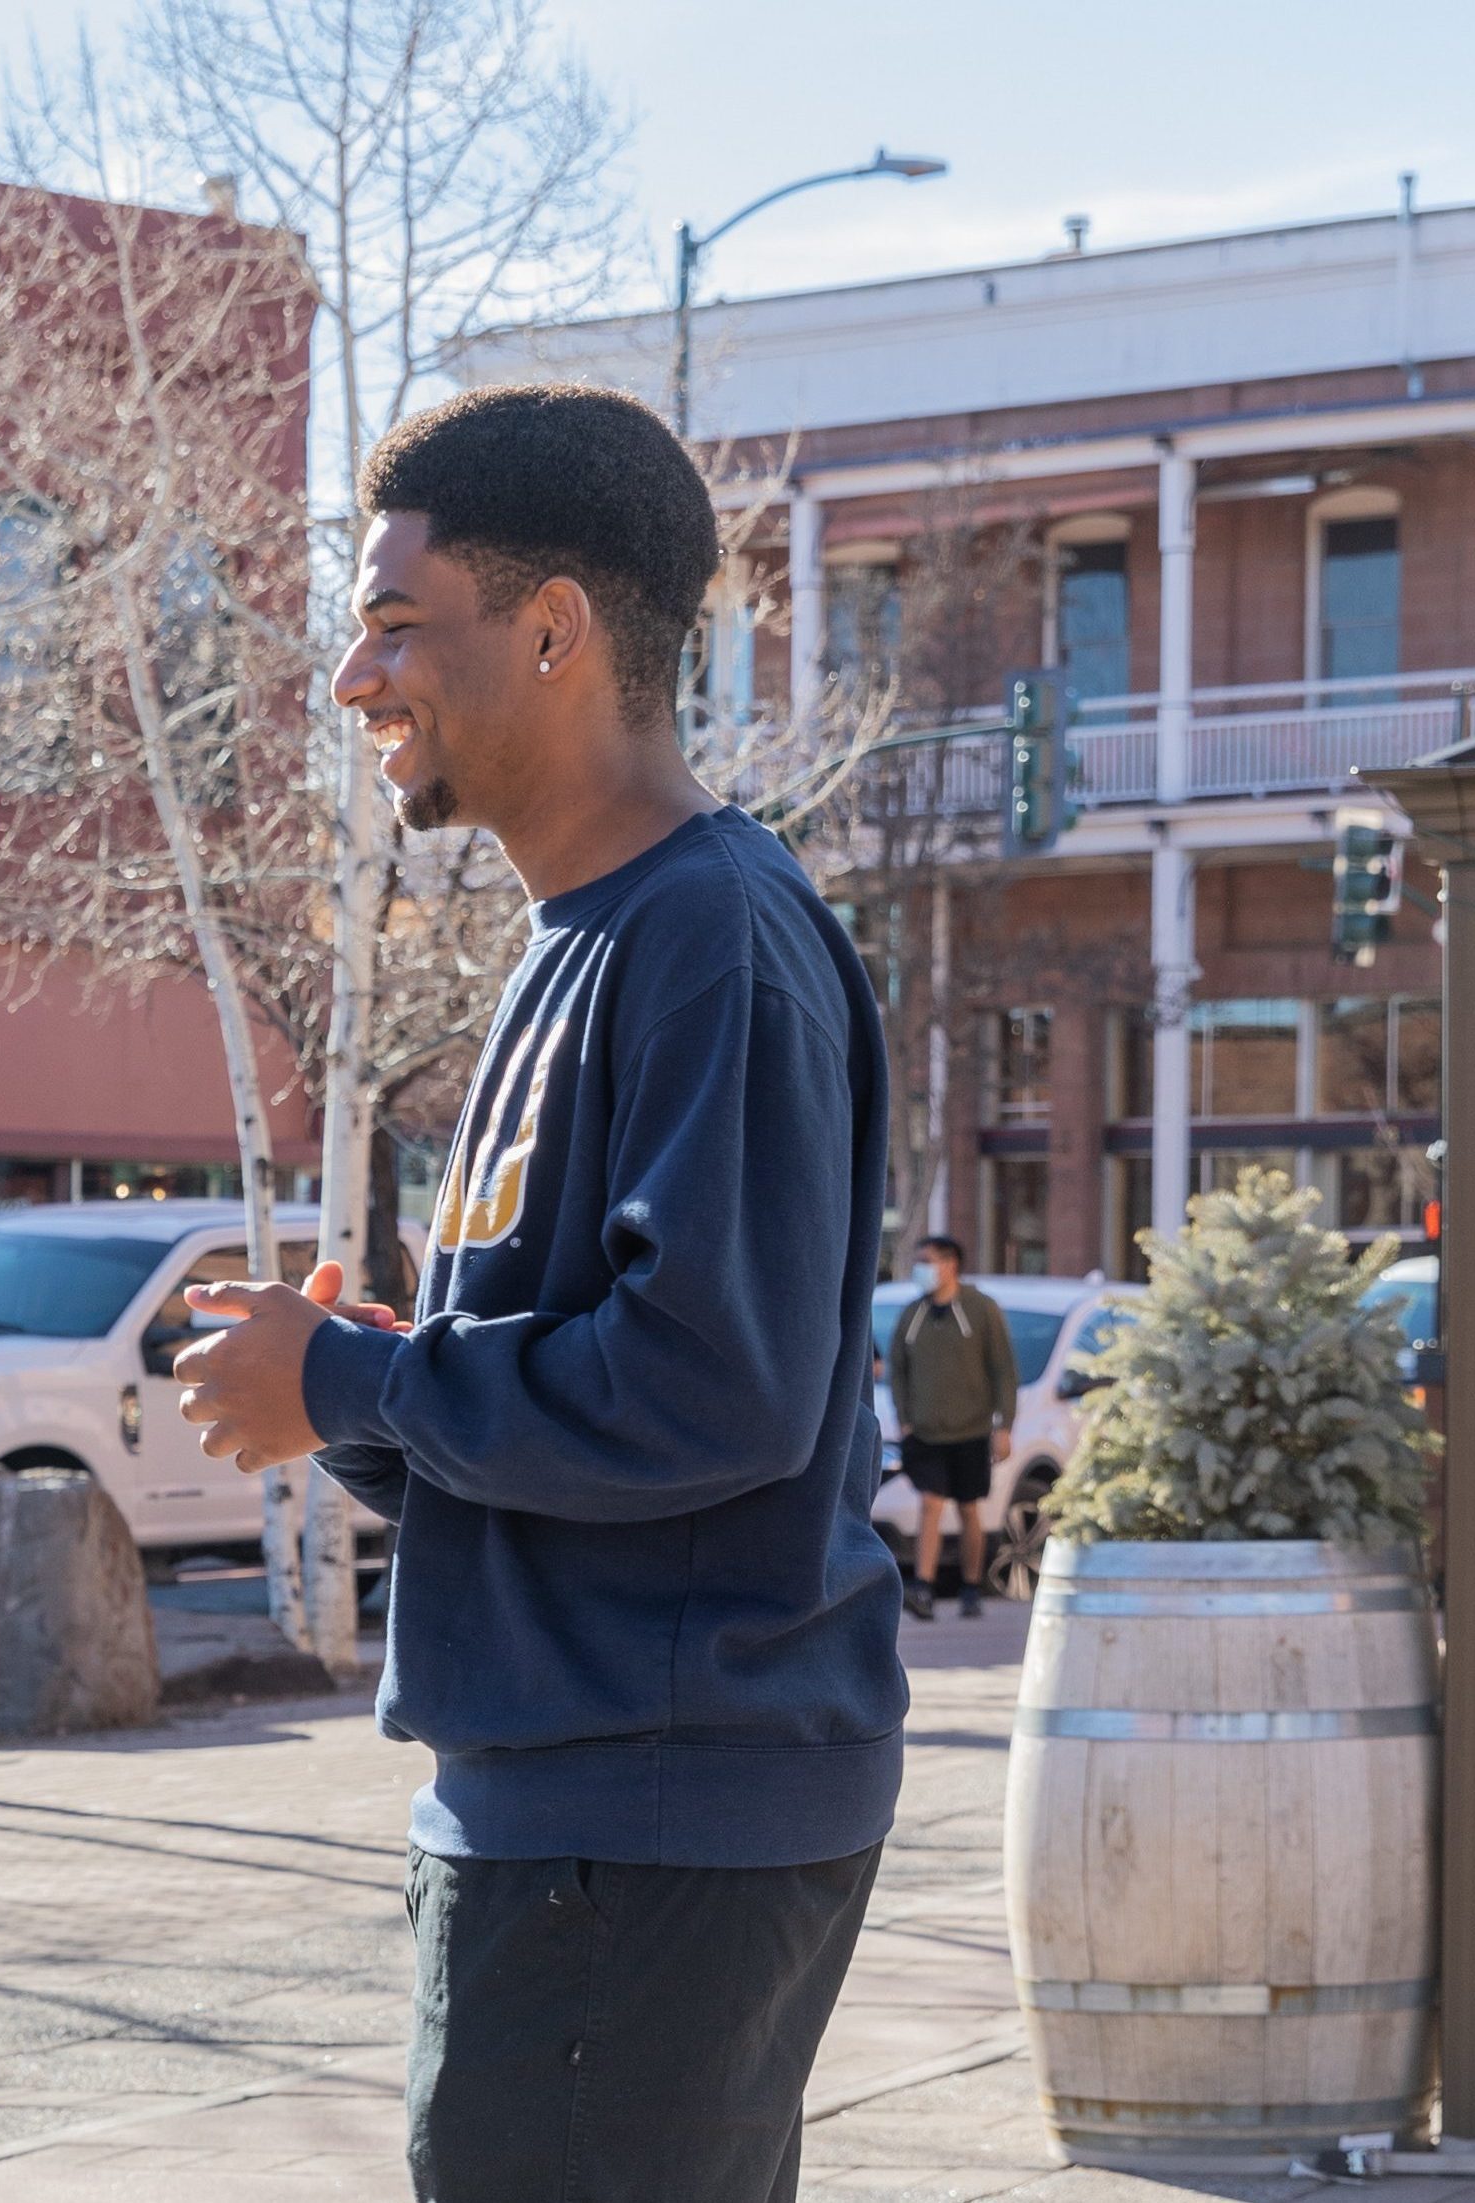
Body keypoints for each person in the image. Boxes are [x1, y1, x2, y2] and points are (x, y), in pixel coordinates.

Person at [170, 383, 904, 2203]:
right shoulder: (584, 940)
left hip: (640, 1825)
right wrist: (348, 1392)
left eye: (397, 622)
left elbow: (708, 1392)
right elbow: (588, 1406)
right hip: (574, 1813)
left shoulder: (707, 939)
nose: (353, 678)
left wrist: (356, 1387)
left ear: (556, 628)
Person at [877, 1235, 1016, 1620]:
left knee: (969, 1508)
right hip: (923, 1431)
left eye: (928, 1261)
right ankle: (923, 1586)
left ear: (950, 1263)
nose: (921, 1268)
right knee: (930, 1504)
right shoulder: (912, 1313)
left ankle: (972, 1586)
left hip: (970, 1429)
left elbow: (1003, 1368)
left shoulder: (981, 1309)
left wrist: (1003, 1424)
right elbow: (898, 1369)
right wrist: (905, 1419)